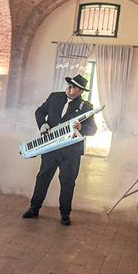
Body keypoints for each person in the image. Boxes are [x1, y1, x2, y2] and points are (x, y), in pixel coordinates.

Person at [22, 74, 97, 225]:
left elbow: (93, 129)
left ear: (81, 91)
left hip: (71, 152)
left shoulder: (86, 106)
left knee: (68, 182)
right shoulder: (55, 97)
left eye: (74, 87)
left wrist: (82, 128)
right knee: (43, 177)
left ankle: (65, 214)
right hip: (51, 147)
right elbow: (39, 112)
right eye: (69, 84)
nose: (70, 88)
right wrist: (42, 124)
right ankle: (34, 207)